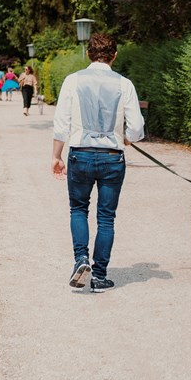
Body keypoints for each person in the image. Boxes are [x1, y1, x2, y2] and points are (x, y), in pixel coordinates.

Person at [51, 33, 145, 293]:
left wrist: (56, 156)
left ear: (88, 54)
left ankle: (81, 259)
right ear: (114, 55)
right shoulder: (124, 84)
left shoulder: (72, 81)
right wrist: (126, 138)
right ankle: (100, 276)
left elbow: (61, 125)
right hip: (112, 157)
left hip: (79, 153)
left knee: (78, 209)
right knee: (106, 217)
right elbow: (136, 128)